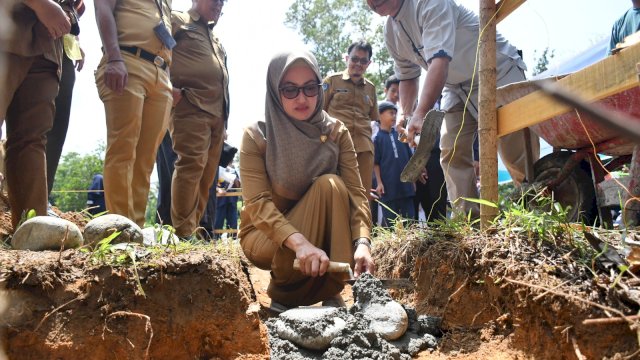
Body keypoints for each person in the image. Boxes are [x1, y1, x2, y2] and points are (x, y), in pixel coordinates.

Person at [367, 0, 540, 218]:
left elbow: (439, 61)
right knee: (451, 149)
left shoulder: (429, 2)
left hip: (496, 69)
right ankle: (470, 221)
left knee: (516, 150)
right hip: (454, 86)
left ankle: (540, 212)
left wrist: (420, 114)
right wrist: (406, 114)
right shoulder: (391, 32)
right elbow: (407, 76)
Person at [239, 50, 375, 308]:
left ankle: (329, 289)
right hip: (264, 237)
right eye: (290, 90)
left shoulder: (336, 132)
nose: (302, 98)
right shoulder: (257, 136)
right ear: (274, 91)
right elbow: (257, 205)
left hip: (315, 231)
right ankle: (286, 292)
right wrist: (299, 244)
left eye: (310, 88)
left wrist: (363, 243)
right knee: (326, 187)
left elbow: (357, 194)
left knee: (331, 185)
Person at [94, 0, 174, 227]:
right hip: (127, 61)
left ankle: (136, 229)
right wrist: (114, 57)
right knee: (123, 149)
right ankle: (120, 228)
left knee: (146, 160)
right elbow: (102, 8)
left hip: (161, 73)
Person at [0, 0, 76, 229]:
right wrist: (41, 4)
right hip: (8, 24)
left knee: (31, 141)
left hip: (48, 43)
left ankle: (31, 233)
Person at [168, 0, 229, 239]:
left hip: (217, 115)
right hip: (190, 105)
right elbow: (156, 48)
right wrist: (166, 84)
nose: (219, 4)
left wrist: (225, 121)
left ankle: (194, 231)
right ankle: (183, 233)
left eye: (223, 1)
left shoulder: (214, 37)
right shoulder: (178, 21)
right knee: (190, 165)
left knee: (207, 175)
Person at [323, 40, 379, 201]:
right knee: (337, 194)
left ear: (368, 63)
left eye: (363, 61)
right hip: (336, 146)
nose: (358, 64)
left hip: (364, 149)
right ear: (347, 58)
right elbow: (319, 113)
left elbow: (373, 119)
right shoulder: (331, 81)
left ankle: (362, 227)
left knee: (362, 197)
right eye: (354, 59)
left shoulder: (371, 88)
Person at [46, 3, 85, 211]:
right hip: (25, 30)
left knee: (56, 128)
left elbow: (73, 10)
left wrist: (76, 43)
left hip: (64, 47)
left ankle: (39, 198)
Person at [373, 101, 415, 227]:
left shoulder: (400, 135)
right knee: (392, 224)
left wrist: (412, 180)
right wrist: (379, 183)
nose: (394, 116)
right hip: (388, 188)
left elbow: (409, 157)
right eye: (391, 113)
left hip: (405, 186)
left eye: (395, 113)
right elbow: (376, 163)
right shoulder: (377, 138)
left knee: (410, 222)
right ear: (379, 115)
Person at [214, 165, 240, 239]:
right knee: (217, 223)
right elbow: (210, 183)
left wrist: (234, 179)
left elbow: (238, 185)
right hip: (219, 202)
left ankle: (232, 241)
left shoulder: (234, 171)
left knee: (233, 224)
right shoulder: (216, 169)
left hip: (232, 201)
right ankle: (215, 239)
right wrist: (218, 189)